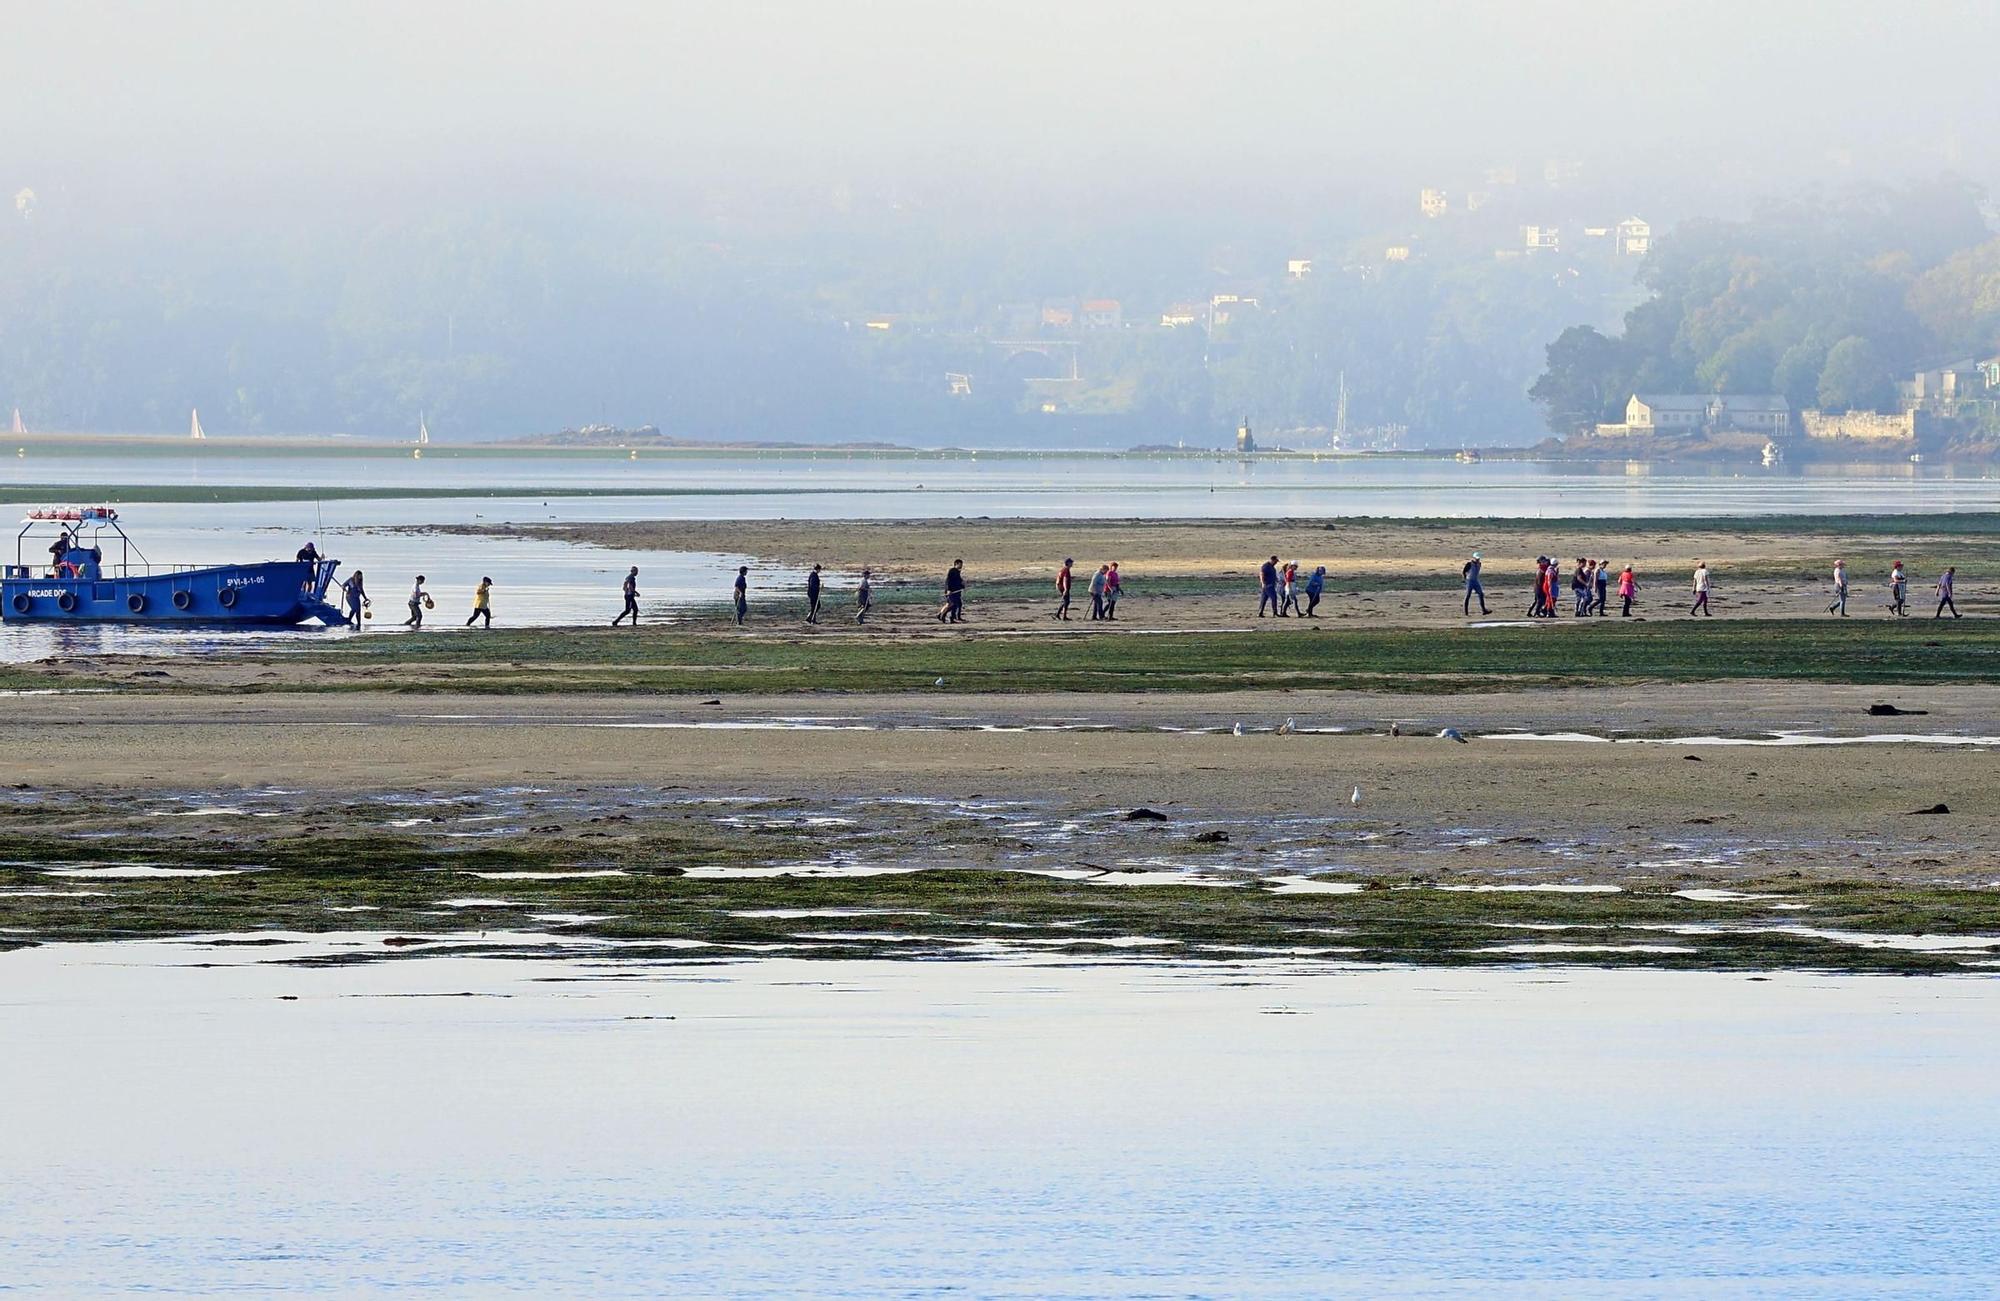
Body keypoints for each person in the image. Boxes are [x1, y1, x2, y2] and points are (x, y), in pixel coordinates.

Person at [1462, 550, 1489, 616]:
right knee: (1468, 595)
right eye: (1476, 558)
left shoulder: (1479, 564)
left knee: (1481, 594)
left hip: (1475, 580)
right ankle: (1466, 612)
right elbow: (1464, 571)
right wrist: (1466, 579)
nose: (1477, 559)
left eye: (1478, 558)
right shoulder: (1469, 564)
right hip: (1470, 581)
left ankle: (1484, 610)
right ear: (1474, 558)